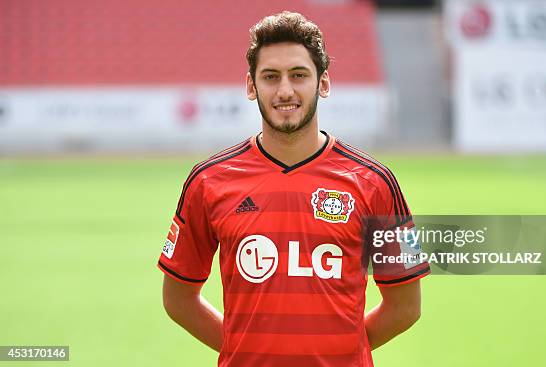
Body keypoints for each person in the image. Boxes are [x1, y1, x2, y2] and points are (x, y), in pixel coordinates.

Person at [158, 11, 430, 367]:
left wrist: (344, 351)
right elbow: (178, 298)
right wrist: (244, 349)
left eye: (299, 75)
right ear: (251, 86)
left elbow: (406, 306)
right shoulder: (209, 180)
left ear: (324, 83)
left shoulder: (375, 182)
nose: (285, 90)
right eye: (270, 77)